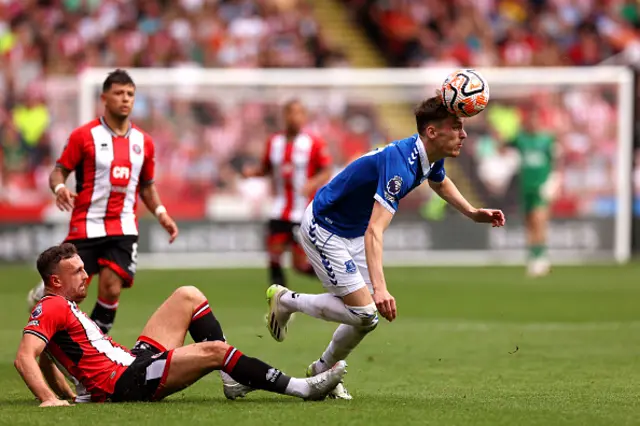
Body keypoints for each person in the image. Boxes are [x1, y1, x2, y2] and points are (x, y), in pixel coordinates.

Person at [265, 95, 506, 399]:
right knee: (366, 312)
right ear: (432, 132)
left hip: (351, 230)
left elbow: (439, 181)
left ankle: (323, 370)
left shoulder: (428, 156)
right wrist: (380, 289)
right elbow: (375, 231)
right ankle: (287, 301)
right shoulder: (399, 166)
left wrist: (471, 212)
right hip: (324, 226)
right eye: (456, 127)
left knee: (366, 320)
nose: (464, 134)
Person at [15, 243, 347, 406]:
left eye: (85, 269)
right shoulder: (53, 305)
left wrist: (69, 394)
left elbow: (45, 357)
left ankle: (232, 380)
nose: (87, 275)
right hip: (125, 383)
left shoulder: (61, 305)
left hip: (133, 364)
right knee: (216, 350)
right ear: (55, 281)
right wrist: (49, 399)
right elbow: (25, 357)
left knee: (187, 295)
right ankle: (302, 388)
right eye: (77, 272)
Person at [26, 69, 179, 334]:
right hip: (86, 224)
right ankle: (43, 300)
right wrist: (60, 187)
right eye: (119, 93)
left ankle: (89, 353)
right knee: (69, 291)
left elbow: (147, 185)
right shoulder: (84, 136)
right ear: (104, 98)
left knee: (111, 287)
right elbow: (59, 170)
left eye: (130, 94)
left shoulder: (144, 142)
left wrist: (161, 212)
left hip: (123, 227)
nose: (125, 99)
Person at [243, 99, 332, 288]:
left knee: (299, 266)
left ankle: (337, 280)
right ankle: (279, 302)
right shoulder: (274, 142)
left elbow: (326, 171)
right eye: (291, 112)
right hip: (279, 210)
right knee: (273, 256)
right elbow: (266, 169)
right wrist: (253, 173)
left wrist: (312, 183)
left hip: (302, 212)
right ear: (284, 116)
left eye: (299, 113)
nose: (295, 117)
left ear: (305, 117)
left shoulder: (313, 143)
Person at [508, 110, 560, 277]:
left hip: (541, 188)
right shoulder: (521, 139)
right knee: (529, 223)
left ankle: (541, 257)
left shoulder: (547, 140)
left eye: (536, 120)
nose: (533, 123)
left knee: (539, 221)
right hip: (525, 188)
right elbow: (504, 143)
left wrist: (553, 182)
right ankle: (533, 257)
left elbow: (557, 162)